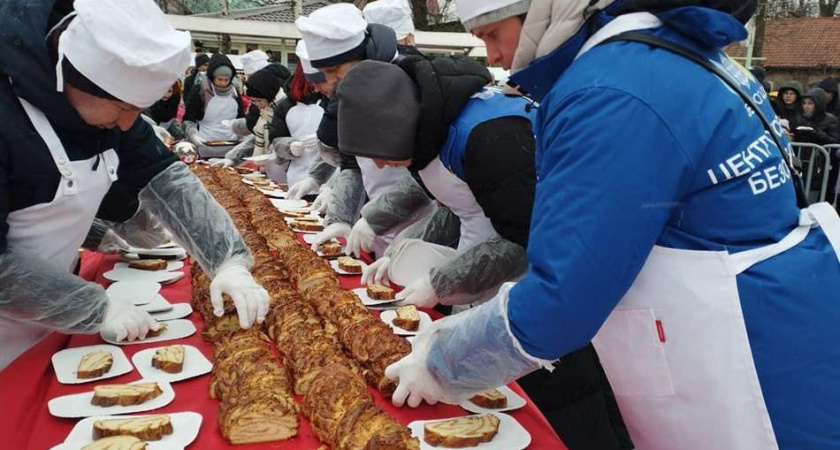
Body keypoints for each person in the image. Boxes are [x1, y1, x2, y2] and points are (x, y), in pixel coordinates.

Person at [383, 1, 840, 450]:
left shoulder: (609, 89)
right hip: (782, 318)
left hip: (744, 360)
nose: (493, 57)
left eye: (492, 35)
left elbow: (566, 292)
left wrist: (444, 363)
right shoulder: (659, 51)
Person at [341, 57, 632, 450]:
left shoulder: (490, 136)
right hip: (484, 288)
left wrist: (442, 282)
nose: (377, 164)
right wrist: (401, 252)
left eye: (379, 152)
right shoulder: (428, 130)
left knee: (565, 409)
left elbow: (528, 238)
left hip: (543, 293)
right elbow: (454, 202)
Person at [0, 0, 269, 371]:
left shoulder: (107, 115)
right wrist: (93, 307)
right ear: (77, 80)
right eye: (123, 108)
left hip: (46, 323)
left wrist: (227, 261)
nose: (128, 125)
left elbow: (168, 180)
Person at [296, 3, 431, 255]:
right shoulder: (348, 92)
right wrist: (341, 217)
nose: (331, 82)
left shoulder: (412, 82)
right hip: (376, 228)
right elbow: (351, 163)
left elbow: (430, 176)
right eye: (324, 73)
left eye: (333, 70)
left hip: (425, 227)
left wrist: (376, 217)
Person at [212, 63, 292, 171]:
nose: (257, 105)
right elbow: (257, 138)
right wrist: (233, 159)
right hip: (269, 167)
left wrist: (280, 153)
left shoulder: (286, 109)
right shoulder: (265, 112)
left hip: (288, 168)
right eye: (254, 101)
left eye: (259, 100)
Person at [183, 53, 246, 150]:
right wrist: (193, 136)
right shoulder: (199, 90)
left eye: (227, 80)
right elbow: (188, 119)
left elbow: (240, 117)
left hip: (231, 145)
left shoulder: (234, 92)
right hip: (205, 143)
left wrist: (243, 135)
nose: (223, 83)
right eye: (220, 79)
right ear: (213, 77)